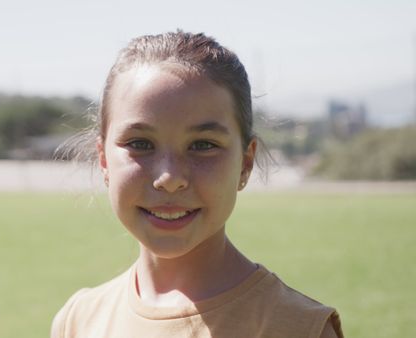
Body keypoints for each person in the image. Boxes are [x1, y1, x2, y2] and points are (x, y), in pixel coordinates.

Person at [51, 31, 343, 338]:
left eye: (203, 145)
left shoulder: (296, 328)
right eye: (140, 143)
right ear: (104, 160)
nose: (170, 179)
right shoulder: (79, 320)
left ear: (245, 163)